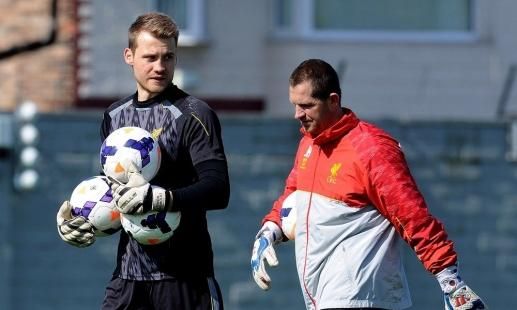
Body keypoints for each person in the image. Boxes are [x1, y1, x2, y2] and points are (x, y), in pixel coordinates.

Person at [250, 59, 487, 310]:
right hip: (326, 297)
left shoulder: (371, 148)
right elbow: (293, 192)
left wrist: (450, 280)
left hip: (362, 296)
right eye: (295, 105)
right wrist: (270, 229)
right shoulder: (309, 144)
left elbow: (411, 215)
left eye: (307, 105)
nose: (297, 114)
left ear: (333, 100)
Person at [56, 12, 230, 310]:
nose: (160, 67)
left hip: (185, 278)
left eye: (168, 57)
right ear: (129, 56)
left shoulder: (194, 114)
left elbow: (218, 189)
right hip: (128, 278)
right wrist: (81, 219)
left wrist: (161, 199)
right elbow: (113, 192)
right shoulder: (114, 116)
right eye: (150, 57)